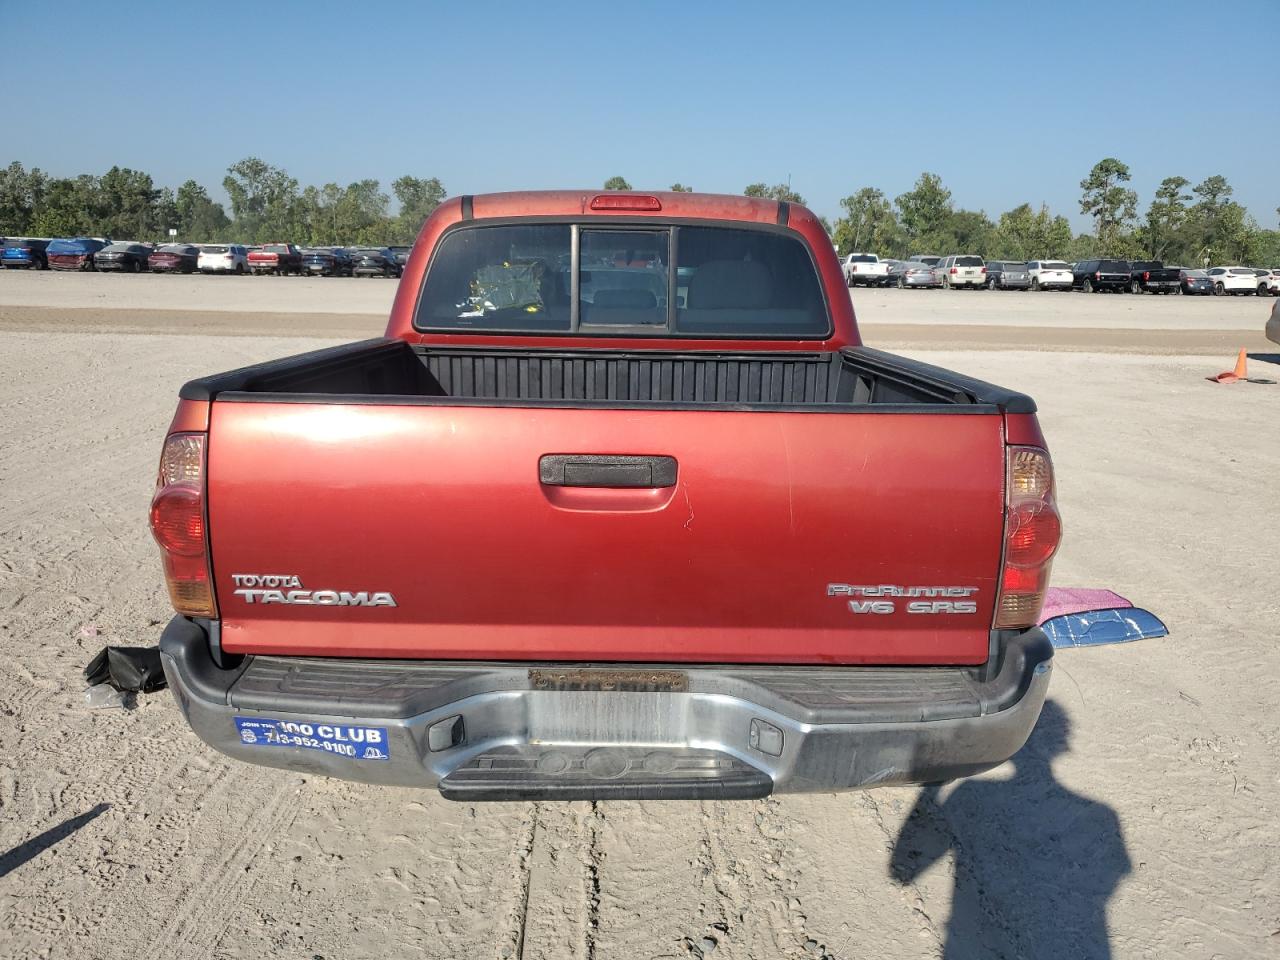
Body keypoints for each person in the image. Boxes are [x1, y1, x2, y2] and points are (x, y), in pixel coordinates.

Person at [890, 700, 1131, 959]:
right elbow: (1117, 873)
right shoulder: (1103, 815)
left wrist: (932, 782)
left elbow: (900, 871)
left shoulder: (969, 792)